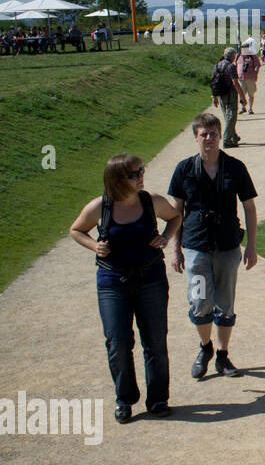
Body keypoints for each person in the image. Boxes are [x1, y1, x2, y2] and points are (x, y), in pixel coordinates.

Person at [69, 155, 183, 423]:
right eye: (134, 174)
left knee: (155, 341)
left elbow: (175, 216)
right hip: (112, 284)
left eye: (141, 171)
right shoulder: (101, 207)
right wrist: (94, 246)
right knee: (117, 342)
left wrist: (166, 237)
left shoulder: (150, 200)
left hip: (151, 280)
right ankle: (125, 399)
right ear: (117, 179)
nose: (140, 176)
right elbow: (76, 230)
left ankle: (158, 399)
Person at [168, 113, 259, 379]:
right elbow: (176, 211)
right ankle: (205, 347)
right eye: (204, 134)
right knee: (200, 302)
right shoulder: (184, 170)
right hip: (196, 247)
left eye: (214, 134)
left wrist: (252, 245)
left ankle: (222, 354)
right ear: (196, 137)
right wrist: (175, 249)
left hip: (228, 247)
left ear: (220, 136)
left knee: (226, 304)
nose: (209, 138)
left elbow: (250, 207)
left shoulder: (235, 168)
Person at [211, 46, 247, 149]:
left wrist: (214, 96)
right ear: (232, 56)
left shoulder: (217, 65)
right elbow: (235, 83)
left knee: (227, 116)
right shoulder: (231, 66)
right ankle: (226, 140)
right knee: (232, 116)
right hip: (230, 93)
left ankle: (233, 137)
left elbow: (213, 81)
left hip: (221, 93)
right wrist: (243, 97)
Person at [237, 45, 260, 115]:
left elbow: (257, 65)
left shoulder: (252, 56)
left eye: (245, 49)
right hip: (241, 78)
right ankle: (243, 108)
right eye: (243, 49)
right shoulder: (238, 56)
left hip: (250, 78)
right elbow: (234, 65)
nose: (244, 50)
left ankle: (250, 109)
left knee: (251, 94)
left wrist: (255, 73)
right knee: (241, 94)